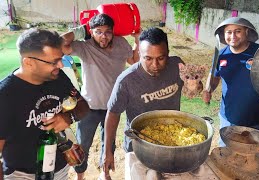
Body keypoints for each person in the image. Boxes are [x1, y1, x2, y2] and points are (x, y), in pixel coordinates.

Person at [0, 28, 89, 180]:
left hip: (60, 169)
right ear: (29, 62)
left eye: (61, 58)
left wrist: (69, 117)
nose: (61, 65)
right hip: (22, 175)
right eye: (54, 61)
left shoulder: (57, 77)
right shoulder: (6, 96)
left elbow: (83, 105)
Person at [61, 13, 140, 180]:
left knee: (109, 145)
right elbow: (60, 44)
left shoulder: (121, 43)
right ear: (91, 32)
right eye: (98, 32)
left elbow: (134, 60)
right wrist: (81, 30)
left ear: (113, 32)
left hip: (113, 107)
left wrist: (138, 39)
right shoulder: (85, 47)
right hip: (88, 107)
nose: (103, 36)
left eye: (108, 32)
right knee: (83, 145)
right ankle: (80, 176)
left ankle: (104, 174)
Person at [103, 27, 184, 179]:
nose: (155, 65)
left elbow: (192, 88)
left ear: (168, 53)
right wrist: (108, 151)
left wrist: (196, 86)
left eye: (161, 58)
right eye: (148, 58)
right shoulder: (126, 81)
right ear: (139, 54)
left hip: (172, 143)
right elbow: (113, 114)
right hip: (138, 147)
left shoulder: (177, 65)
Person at [202, 17, 259, 148]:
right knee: (226, 154)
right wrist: (208, 89)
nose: (233, 36)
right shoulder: (221, 55)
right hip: (229, 118)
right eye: (228, 32)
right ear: (224, 34)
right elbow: (214, 76)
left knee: (257, 156)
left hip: (256, 119)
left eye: (237, 31)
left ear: (246, 32)